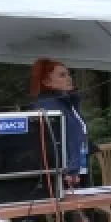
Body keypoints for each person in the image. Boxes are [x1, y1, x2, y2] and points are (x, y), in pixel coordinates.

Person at [29, 57, 92, 187]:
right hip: (64, 173)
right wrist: (70, 169)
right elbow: (57, 142)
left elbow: (76, 133)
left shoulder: (68, 103)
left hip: (79, 167)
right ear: (47, 82)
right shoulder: (48, 106)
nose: (69, 78)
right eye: (62, 75)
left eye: (69, 74)